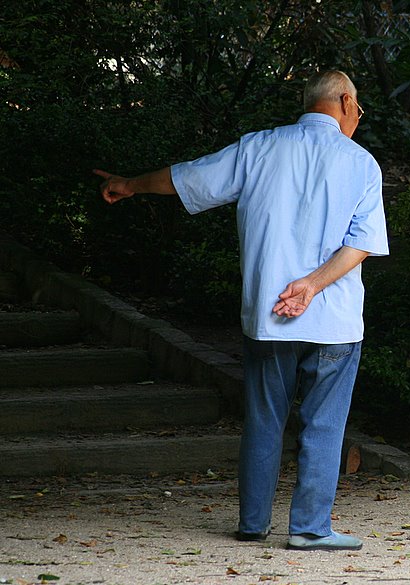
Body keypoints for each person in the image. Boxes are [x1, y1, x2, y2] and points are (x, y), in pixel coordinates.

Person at [94, 70, 389, 551]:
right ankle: (311, 528)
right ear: (344, 100)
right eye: (357, 108)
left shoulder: (259, 148)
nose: (357, 117)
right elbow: (361, 245)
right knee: (324, 424)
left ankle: (253, 524)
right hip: (334, 319)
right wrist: (312, 286)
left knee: (264, 420)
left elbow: (186, 177)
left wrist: (131, 185)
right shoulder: (362, 163)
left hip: (269, 317)